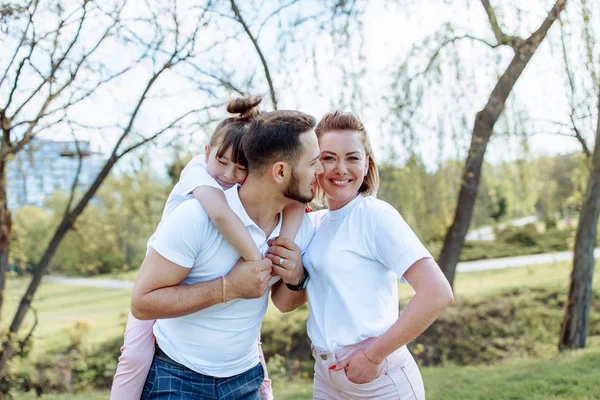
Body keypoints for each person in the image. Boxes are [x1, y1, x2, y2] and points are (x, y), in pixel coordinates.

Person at [110, 96, 306, 400]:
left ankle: (264, 388)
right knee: (133, 356)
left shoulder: (288, 210)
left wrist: (291, 266)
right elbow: (220, 214)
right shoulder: (200, 191)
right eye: (222, 162)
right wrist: (248, 271)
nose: (228, 175)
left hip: (243, 377)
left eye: (239, 167)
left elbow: (296, 206)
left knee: (253, 346)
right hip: (177, 374)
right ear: (207, 154)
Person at [272, 110, 454, 399]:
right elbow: (283, 303)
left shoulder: (375, 216)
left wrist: (372, 357)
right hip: (327, 378)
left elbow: (437, 293)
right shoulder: (312, 224)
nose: (341, 169)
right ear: (314, 164)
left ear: (367, 163)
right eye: (329, 157)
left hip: (378, 380)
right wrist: (295, 277)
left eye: (352, 158)